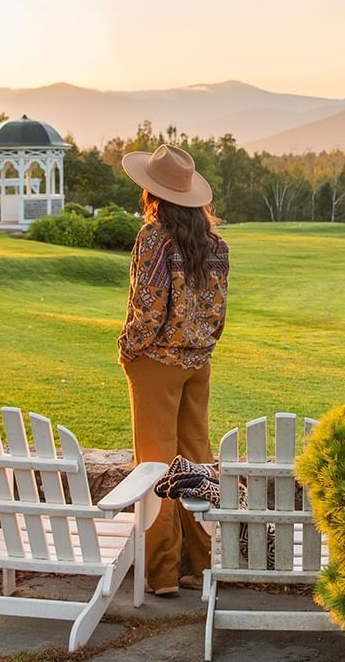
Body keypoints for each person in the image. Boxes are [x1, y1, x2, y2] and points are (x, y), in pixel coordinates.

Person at [117, 144, 229, 595]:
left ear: (153, 194)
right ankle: (203, 567)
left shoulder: (153, 238)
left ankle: (162, 573)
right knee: (197, 460)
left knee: (154, 462)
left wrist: (129, 348)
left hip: (156, 363)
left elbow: (148, 308)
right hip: (198, 362)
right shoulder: (216, 245)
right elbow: (218, 316)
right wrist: (198, 348)